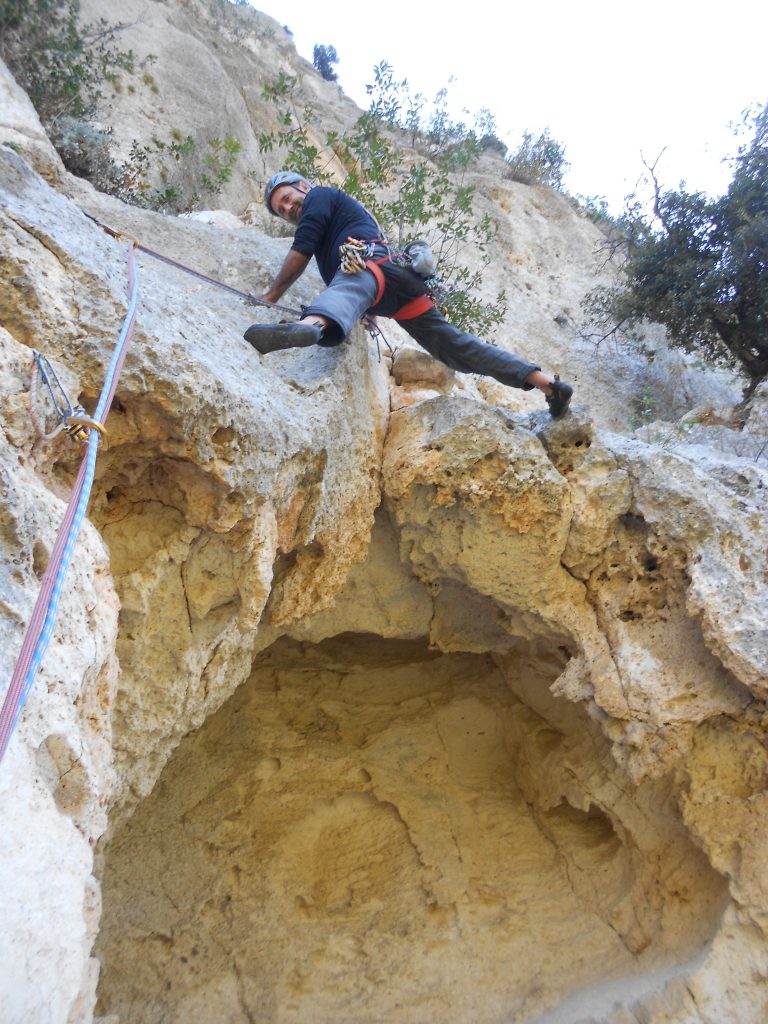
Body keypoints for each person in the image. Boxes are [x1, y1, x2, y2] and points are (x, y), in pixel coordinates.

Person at [245, 171, 573, 417]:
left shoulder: (320, 196)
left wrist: (271, 295)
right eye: (281, 209)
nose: (287, 207)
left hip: (370, 265)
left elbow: (304, 249)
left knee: (348, 283)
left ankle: (310, 326)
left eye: (287, 198)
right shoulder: (333, 225)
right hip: (399, 287)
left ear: (303, 186)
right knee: (455, 347)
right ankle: (547, 384)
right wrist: (369, 313)